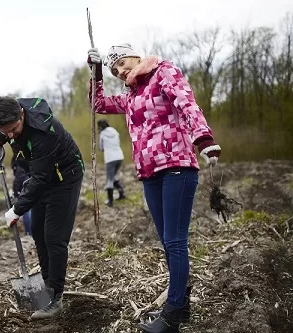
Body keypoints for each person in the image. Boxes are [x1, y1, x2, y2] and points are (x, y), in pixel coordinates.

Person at [87, 44, 221, 332]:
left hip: (177, 166)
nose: (121, 71)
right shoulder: (130, 95)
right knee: (167, 243)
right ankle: (182, 307)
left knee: (175, 242)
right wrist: (96, 74)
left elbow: (187, 103)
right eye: (115, 70)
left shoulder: (164, 72)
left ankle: (171, 315)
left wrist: (203, 138)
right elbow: (96, 105)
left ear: (136, 56)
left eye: (123, 63)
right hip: (149, 173)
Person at [0, 96, 84, 320]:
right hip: (43, 175)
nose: (11, 135)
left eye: (13, 129)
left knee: (54, 238)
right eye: (5, 130)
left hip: (64, 178)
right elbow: (38, 175)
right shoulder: (12, 110)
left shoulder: (43, 133)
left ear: (22, 114)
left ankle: (56, 297)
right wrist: (1, 138)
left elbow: (39, 179)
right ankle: (47, 285)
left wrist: (17, 210)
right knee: (38, 232)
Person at [97, 119, 126, 206]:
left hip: (110, 158)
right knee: (113, 176)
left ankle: (110, 201)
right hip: (120, 156)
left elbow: (101, 148)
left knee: (109, 179)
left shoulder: (102, 134)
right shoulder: (114, 131)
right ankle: (121, 193)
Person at [11, 148, 32, 236]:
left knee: (27, 209)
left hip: (25, 184)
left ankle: (29, 232)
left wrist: (16, 192)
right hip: (34, 182)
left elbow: (18, 177)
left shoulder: (19, 158)